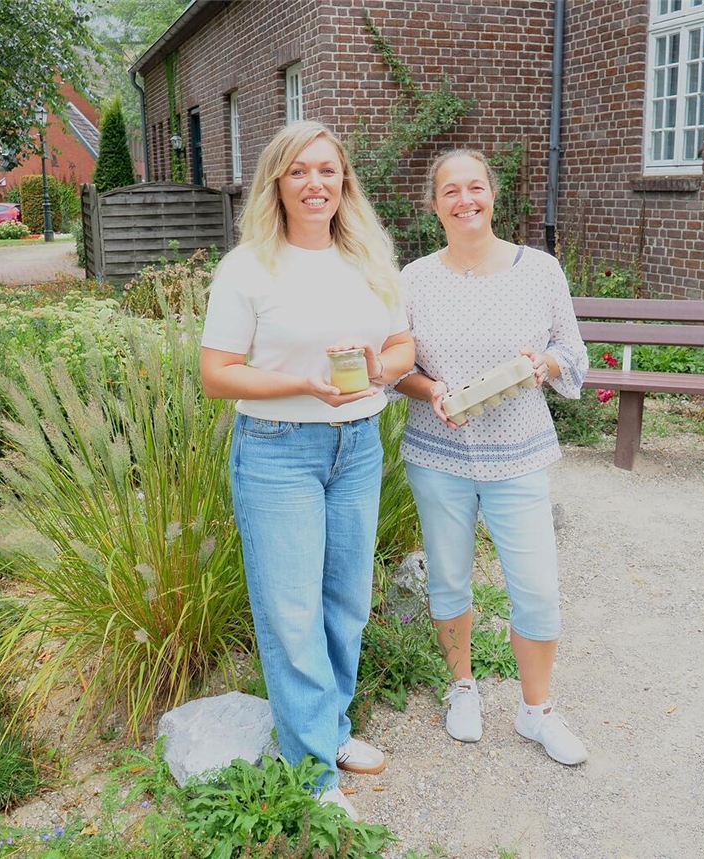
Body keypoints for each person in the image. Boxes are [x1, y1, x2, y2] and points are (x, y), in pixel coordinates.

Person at [199, 121, 414, 820]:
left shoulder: (371, 259)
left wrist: (380, 368)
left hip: (357, 445)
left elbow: (404, 343)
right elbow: (216, 374)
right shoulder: (250, 267)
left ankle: (331, 727)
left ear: (343, 180)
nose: (315, 183)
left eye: (327, 170)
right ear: (277, 184)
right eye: (299, 172)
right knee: (292, 611)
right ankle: (313, 771)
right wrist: (304, 389)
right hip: (279, 448)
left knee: (346, 600)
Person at [393, 149, 590, 765]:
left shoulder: (541, 271)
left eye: (474, 187)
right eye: (449, 191)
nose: (464, 200)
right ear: (433, 205)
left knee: (536, 587)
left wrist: (545, 364)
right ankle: (462, 688)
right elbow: (397, 369)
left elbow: (573, 354)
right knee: (448, 578)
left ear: (493, 196)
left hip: (519, 454)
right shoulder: (414, 278)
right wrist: (433, 391)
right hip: (438, 453)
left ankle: (537, 711)